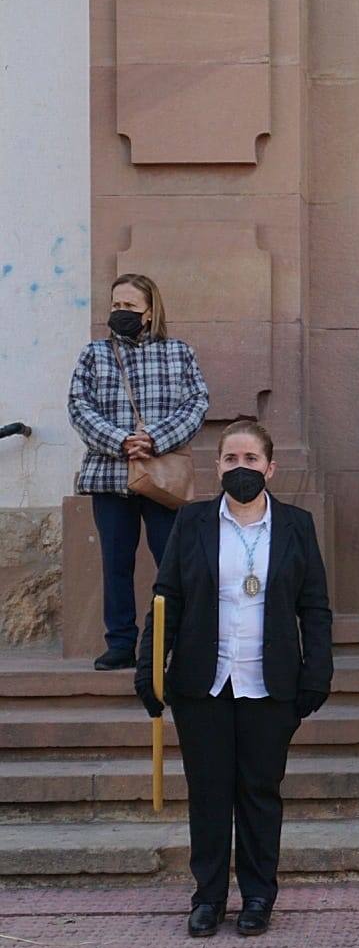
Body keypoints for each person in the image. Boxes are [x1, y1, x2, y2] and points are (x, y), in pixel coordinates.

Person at [135, 421, 333, 937]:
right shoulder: (194, 521)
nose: (240, 469)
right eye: (230, 459)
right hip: (203, 681)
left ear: (270, 467)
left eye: (250, 460)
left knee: (260, 791)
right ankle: (208, 897)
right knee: (208, 792)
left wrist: (318, 670)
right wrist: (150, 669)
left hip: (270, 684)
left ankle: (259, 896)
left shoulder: (296, 526)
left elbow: (314, 606)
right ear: (216, 466)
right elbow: (167, 598)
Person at [68, 274, 209, 670]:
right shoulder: (94, 355)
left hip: (162, 476)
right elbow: (79, 406)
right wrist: (121, 441)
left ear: (149, 312)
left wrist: (155, 439)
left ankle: (168, 642)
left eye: (129, 307)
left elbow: (197, 404)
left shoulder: (179, 353)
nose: (121, 313)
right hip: (109, 476)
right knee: (116, 562)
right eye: (116, 306)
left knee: (170, 563)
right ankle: (120, 643)